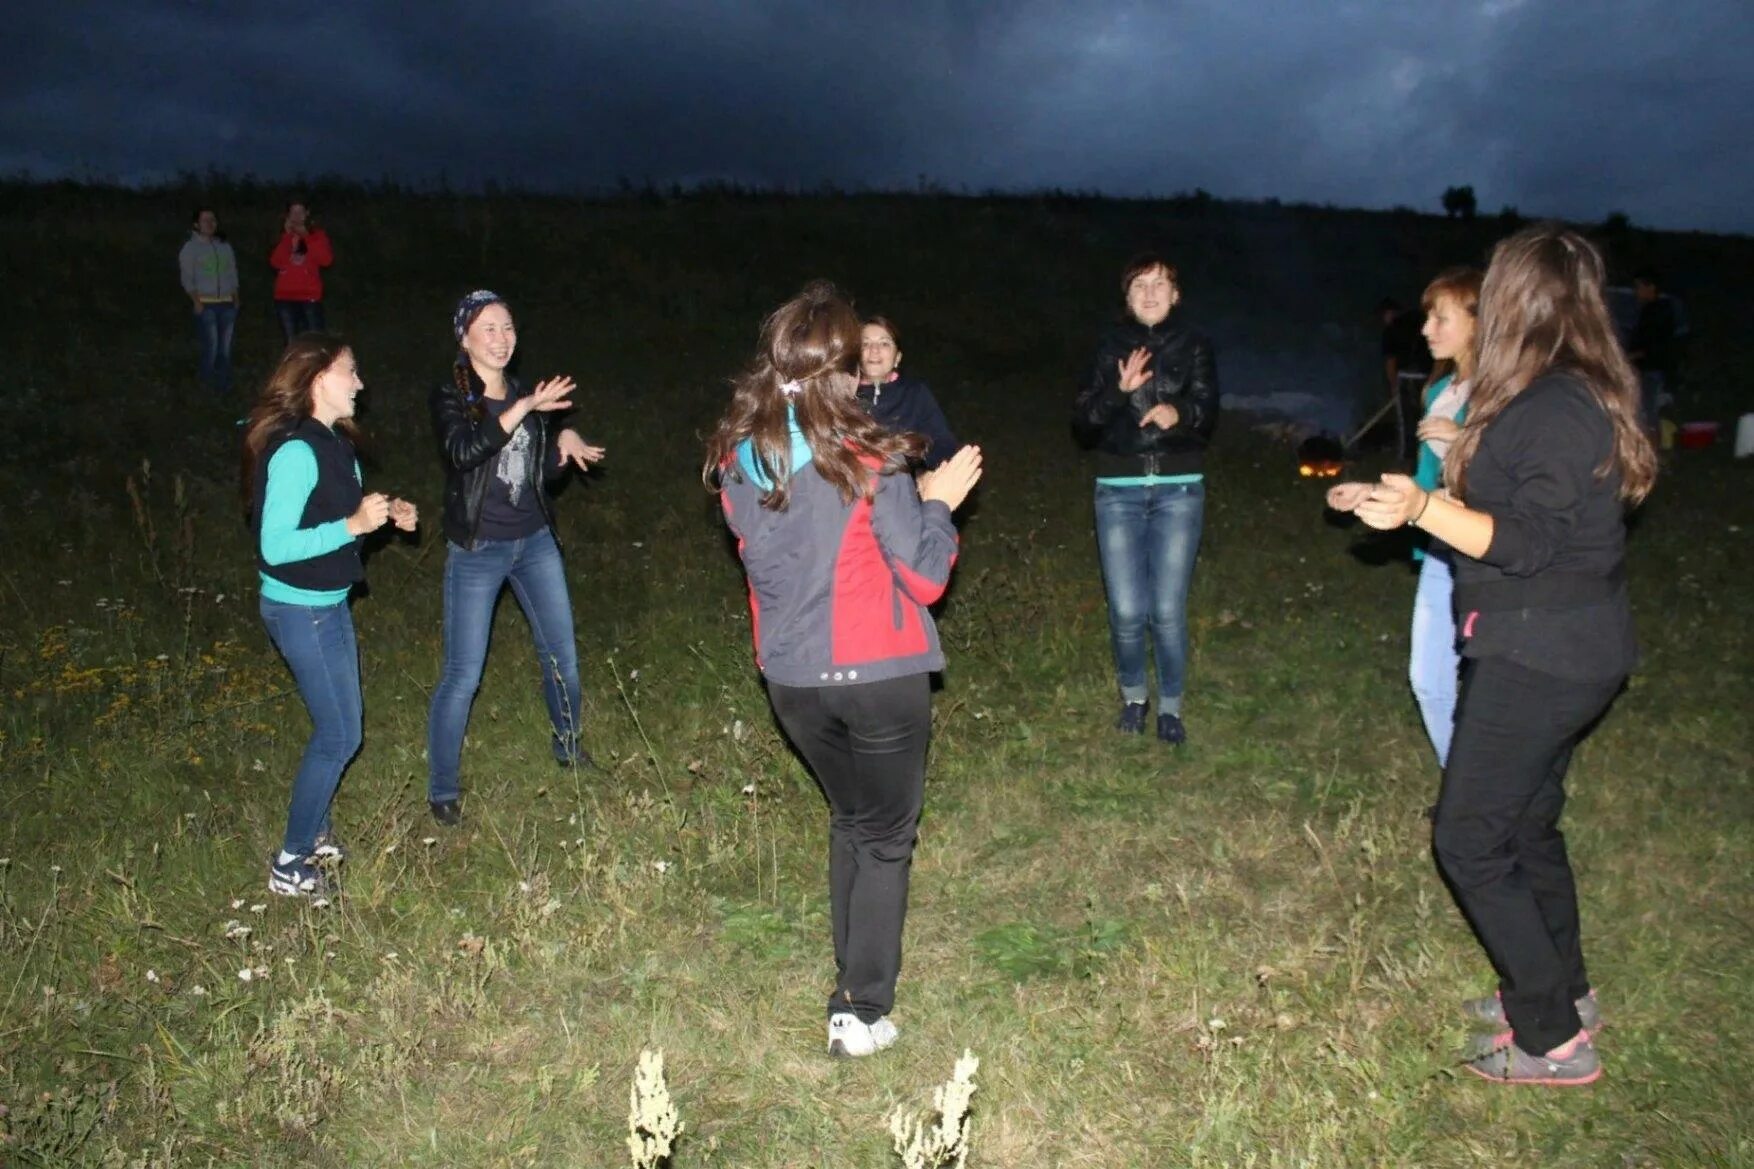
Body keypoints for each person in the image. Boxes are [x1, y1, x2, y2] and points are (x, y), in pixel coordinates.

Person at [1348, 224, 1656, 1086]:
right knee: (1526, 824)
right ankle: (1565, 991)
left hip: (1543, 650)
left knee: (1470, 837)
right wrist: (1415, 502)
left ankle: (1553, 1039)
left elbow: (1523, 543)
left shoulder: (1557, 404)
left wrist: (1420, 510)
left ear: (1524, 298)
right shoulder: (1564, 391)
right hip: (1558, 643)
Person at [705, 281, 982, 1059]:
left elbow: (776, 548)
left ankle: (850, 989)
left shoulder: (739, 462)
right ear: (843, 369)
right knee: (886, 835)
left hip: (793, 683)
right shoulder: (871, 457)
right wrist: (937, 503)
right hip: (880, 677)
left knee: (851, 819)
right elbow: (926, 577)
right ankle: (860, 1008)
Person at [242, 334, 417, 896]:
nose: (360, 383)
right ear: (319, 380)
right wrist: (352, 527)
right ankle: (290, 862)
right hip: (298, 609)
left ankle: (314, 831)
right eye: (351, 371)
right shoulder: (295, 450)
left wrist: (384, 514)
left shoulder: (334, 442)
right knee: (340, 734)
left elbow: (338, 515)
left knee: (344, 727)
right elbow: (275, 546)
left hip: (327, 603)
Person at [426, 290, 606, 826]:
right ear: (465, 338)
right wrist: (522, 410)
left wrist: (563, 442)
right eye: (489, 329)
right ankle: (442, 787)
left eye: (508, 328)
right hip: (478, 550)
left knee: (562, 657)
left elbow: (538, 473)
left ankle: (568, 747)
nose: (502, 339)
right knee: (463, 673)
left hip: (534, 544)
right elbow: (463, 453)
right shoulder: (449, 397)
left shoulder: (526, 393)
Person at [1331, 267, 1482, 767]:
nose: (1425, 329)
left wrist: (1462, 442)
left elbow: (1522, 481)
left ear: (1480, 322)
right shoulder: (1439, 393)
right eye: (1427, 317)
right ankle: (1461, 784)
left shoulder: (1505, 397)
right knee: (1427, 678)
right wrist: (1374, 491)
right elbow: (1427, 485)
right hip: (1443, 551)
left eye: (1441, 318)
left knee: (1492, 688)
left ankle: (1487, 793)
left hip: (1491, 558)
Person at [1072, 253, 1218, 744]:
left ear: (1175, 295)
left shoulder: (1194, 343)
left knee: (1167, 610)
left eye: (1160, 284)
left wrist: (1181, 413)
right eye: (1139, 285)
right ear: (1127, 296)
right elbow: (1083, 423)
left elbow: (1208, 407)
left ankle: (1171, 707)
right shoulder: (1107, 345)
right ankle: (1135, 698)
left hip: (1179, 489)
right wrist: (1119, 391)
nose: (1150, 293)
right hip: (1118, 491)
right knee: (1128, 610)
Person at [856, 316, 958, 469]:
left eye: (884, 343)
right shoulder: (842, 393)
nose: (874, 350)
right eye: (866, 343)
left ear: (897, 357)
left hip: (904, 485)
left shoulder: (915, 393)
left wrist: (924, 470)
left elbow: (943, 444)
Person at [178, 207, 240, 395]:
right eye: (205, 220)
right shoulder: (190, 248)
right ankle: (205, 386)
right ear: (196, 224)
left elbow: (232, 272)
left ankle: (223, 387)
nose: (210, 223)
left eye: (213, 220)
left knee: (225, 349)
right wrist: (196, 302)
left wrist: (236, 298)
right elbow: (187, 278)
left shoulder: (224, 246)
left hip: (227, 303)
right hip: (206, 305)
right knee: (211, 347)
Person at [270, 199, 334, 343]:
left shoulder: (318, 236)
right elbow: (276, 262)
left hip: (309, 298)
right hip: (285, 298)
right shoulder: (282, 236)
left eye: (300, 212)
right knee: (291, 343)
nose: (297, 216)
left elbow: (326, 260)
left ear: (307, 214)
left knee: (314, 343)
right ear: (287, 216)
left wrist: (307, 237)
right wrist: (287, 238)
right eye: (293, 212)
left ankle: (316, 366)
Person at [1380, 296, 1435, 460]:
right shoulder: (1420, 323)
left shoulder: (1391, 330)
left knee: (1408, 421)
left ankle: (1407, 458)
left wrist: (1393, 386)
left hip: (1407, 377)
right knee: (1429, 417)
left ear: (1388, 313)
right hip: (1429, 377)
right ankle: (1428, 456)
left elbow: (1391, 361)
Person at [1627, 267, 1677, 433]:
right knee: (1644, 413)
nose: (1636, 292)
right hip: (1645, 368)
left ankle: (1652, 454)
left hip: (1651, 369)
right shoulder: (1649, 311)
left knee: (1648, 415)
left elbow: (1653, 345)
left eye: (1639, 287)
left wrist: (1628, 357)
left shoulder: (1658, 312)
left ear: (1651, 287)